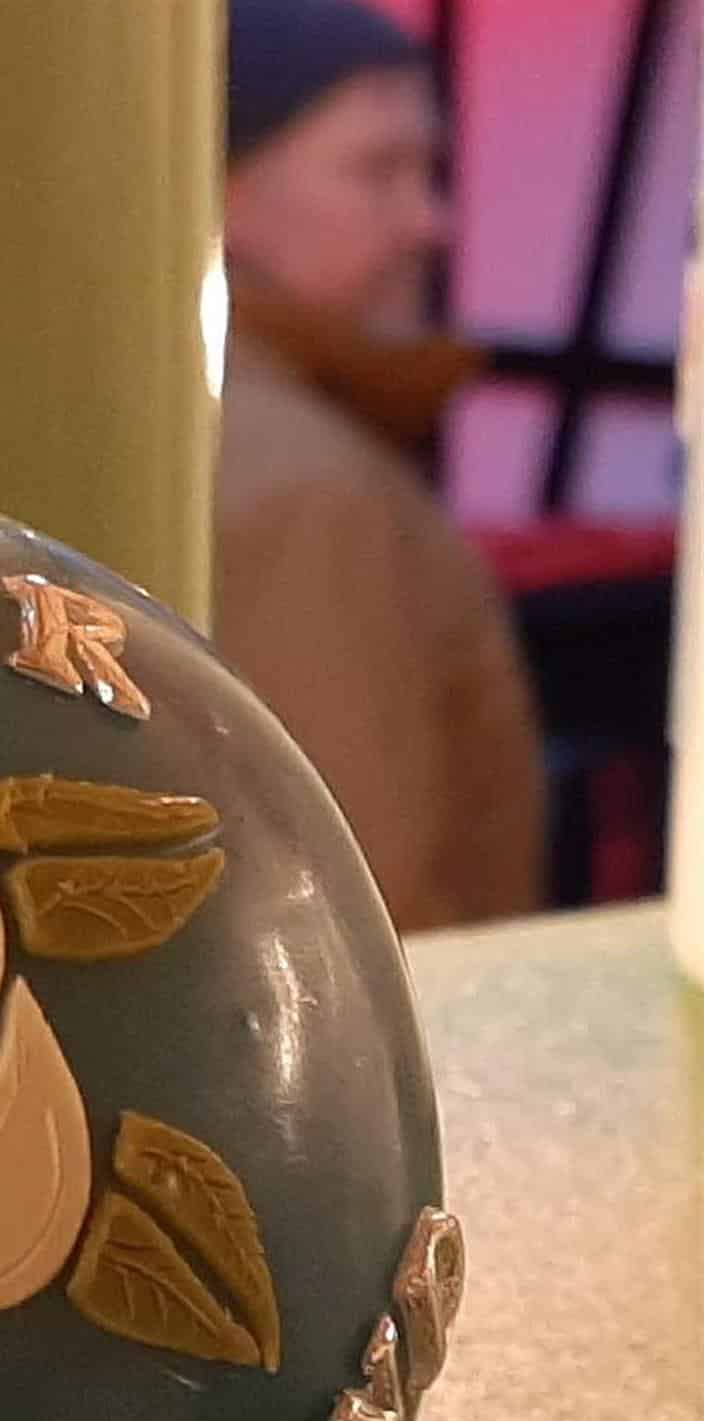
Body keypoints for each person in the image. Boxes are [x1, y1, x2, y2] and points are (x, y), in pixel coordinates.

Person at [218, 0, 545, 931]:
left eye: (428, 173)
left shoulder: (242, 430)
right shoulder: (304, 486)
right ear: (221, 192)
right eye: (379, 170)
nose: (431, 222)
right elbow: (361, 920)